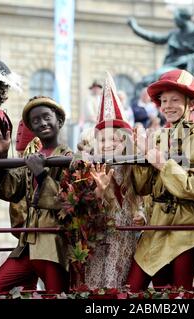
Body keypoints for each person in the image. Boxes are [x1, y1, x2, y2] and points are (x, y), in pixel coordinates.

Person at [126, 69, 194, 292]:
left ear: (190, 104)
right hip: (156, 225)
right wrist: (140, 156)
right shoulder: (155, 137)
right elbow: (143, 187)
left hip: (184, 227)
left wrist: (160, 162)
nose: (168, 106)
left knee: (178, 295)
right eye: (164, 100)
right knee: (132, 289)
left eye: (175, 99)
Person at [0, 96, 72, 294]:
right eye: (36, 120)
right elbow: (10, 190)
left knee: (56, 295)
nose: (42, 123)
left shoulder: (70, 158)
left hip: (53, 245)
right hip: (27, 246)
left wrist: (41, 174)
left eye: (46, 117)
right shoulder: (32, 158)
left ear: (59, 120)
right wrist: (0, 158)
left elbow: (68, 202)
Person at [83, 72, 144, 289]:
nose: (108, 144)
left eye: (114, 139)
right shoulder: (91, 168)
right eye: (103, 139)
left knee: (122, 285)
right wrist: (99, 192)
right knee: (98, 285)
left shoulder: (134, 167)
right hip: (101, 239)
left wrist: (141, 216)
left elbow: (143, 200)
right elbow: (84, 211)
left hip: (126, 240)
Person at [128, 7, 194, 95]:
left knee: (156, 78)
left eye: (175, 17)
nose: (174, 19)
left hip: (184, 69)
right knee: (144, 82)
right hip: (172, 65)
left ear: (182, 18)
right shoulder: (175, 33)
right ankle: (140, 105)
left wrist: (189, 59)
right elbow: (155, 38)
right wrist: (136, 28)